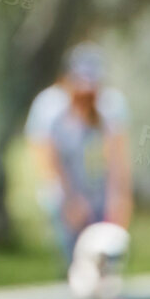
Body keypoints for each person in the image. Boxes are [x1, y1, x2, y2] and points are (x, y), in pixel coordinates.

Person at [24, 43, 133, 270]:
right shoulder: (50, 107)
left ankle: (107, 298)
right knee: (74, 257)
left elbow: (117, 158)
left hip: (98, 191)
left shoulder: (110, 106)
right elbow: (46, 159)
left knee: (107, 252)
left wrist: (120, 197)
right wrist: (71, 201)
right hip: (64, 191)